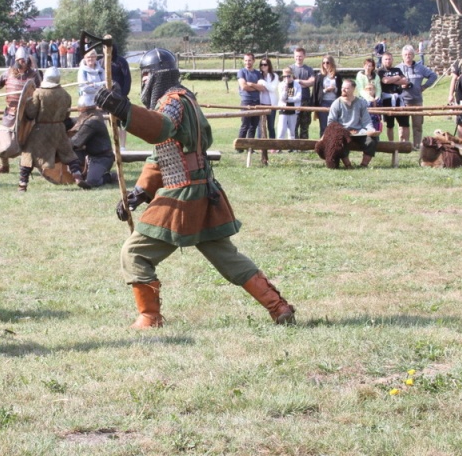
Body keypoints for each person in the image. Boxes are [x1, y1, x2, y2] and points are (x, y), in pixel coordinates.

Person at [96, 48, 297, 329]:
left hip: (184, 196)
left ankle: (149, 317)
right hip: (204, 193)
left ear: (159, 76)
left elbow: (161, 130)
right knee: (229, 259)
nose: (142, 81)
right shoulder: (184, 98)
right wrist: (141, 191)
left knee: (135, 253)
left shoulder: (173, 102)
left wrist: (124, 110)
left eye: (145, 75)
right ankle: (279, 307)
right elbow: (162, 154)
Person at [17, 67, 84, 192]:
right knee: (69, 154)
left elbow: (31, 113)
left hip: (41, 129)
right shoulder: (65, 94)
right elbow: (66, 116)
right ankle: (78, 176)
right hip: (59, 129)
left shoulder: (39, 93)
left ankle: (22, 184)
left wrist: (26, 105)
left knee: (28, 155)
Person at [0, 46, 42, 174]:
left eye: (24, 60)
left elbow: (41, 92)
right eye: (20, 60)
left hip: (28, 113)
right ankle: (4, 166)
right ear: (16, 60)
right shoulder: (8, 73)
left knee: (29, 140)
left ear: (28, 60)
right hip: (11, 112)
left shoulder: (34, 75)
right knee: (3, 139)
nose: (22, 63)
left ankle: (32, 166)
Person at [321, 79, 377, 169]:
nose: (343, 90)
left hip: (358, 132)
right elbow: (331, 123)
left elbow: (367, 121)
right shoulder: (336, 103)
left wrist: (371, 130)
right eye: (342, 87)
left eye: (346, 88)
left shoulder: (361, 103)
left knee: (372, 140)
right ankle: (348, 165)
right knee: (339, 140)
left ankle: (364, 165)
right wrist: (342, 130)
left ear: (353, 89)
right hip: (342, 132)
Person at [399, 45, 438, 149]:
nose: (408, 56)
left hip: (417, 100)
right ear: (402, 56)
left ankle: (417, 145)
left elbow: (433, 76)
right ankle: (403, 145)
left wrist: (425, 86)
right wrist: (399, 85)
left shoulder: (420, 67)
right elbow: (391, 82)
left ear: (413, 55)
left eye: (410, 54)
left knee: (417, 125)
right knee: (403, 125)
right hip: (403, 101)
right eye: (406, 54)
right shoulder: (398, 68)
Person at [70, 103, 117, 188]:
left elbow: (75, 142)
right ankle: (80, 174)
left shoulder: (93, 122)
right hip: (91, 156)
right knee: (75, 152)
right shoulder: (92, 119)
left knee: (92, 182)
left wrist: (61, 145)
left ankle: (109, 177)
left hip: (102, 158)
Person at [377, 51, 409, 142]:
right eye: (386, 59)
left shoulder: (397, 70)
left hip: (399, 98)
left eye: (389, 59)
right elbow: (385, 81)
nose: (388, 61)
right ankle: (391, 143)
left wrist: (393, 80)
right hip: (387, 99)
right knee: (390, 124)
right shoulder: (380, 71)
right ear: (382, 60)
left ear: (392, 59)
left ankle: (404, 143)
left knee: (404, 123)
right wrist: (397, 78)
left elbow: (405, 81)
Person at [289, 47, 316, 139]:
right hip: (293, 100)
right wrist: (305, 83)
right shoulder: (290, 69)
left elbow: (312, 82)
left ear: (304, 56)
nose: (298, 58)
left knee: (305, 124)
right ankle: (295, 145)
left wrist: (298, 81)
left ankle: (304, 146)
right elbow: (289, 84)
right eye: (296, 56)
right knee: (294, 124)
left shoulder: (308, 69)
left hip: (305, 100)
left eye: (300, 56)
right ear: (294, 56)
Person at [312, 54, 341, 136]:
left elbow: (341, 90)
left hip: (335, 102)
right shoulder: (319, 76)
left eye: (327, 63)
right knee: (323, 126)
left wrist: (334, 89)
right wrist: (325, 90)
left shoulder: (337, 76)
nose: (325, 65)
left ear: (332, 63)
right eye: (323, 63)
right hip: (323, 102)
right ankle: (323, 145)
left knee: (334, 125)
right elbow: (316, 91)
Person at [236, 53, 263, 141]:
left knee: (253, 125)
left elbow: (261, 88)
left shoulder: (258, 73)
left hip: (256, 101)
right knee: (245, 125)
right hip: (246, 101)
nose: (248, 62)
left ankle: (250, 147)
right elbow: (244, 87)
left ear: (253, 61)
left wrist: (251, 85)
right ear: (244, 61)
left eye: (249, 60)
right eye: (246, 60)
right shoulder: (242, 72)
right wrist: (256, 87)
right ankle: (240, 147)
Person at [275, 68, 302, 139]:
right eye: (284, 76)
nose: (286, 78)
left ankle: (291, 147)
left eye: (288, 76)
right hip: (283, 110)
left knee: (292, 131)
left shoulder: (297, 85)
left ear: (292, 75)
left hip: (293, 110)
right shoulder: (281, 85)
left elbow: (298, 98)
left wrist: (288, 99)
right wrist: (285, 88)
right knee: (281, 129)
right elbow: (282, 98)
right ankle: (279, 146)